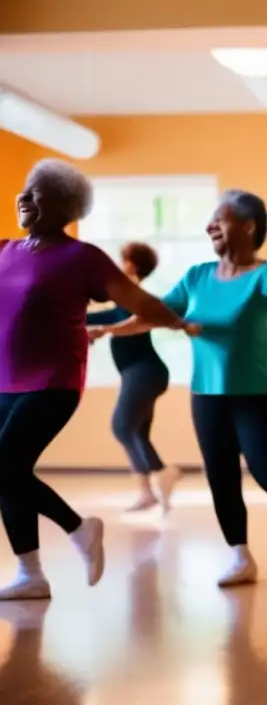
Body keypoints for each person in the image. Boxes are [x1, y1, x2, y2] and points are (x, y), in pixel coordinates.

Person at [90, 189, 267, 586]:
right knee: (221, 476)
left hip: (256, 394)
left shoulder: (264, 274)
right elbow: (154, 313)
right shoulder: (197, 275)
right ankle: (240, 557)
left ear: (248, 227)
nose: (209, 225)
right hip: (206, 396)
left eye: (220, 218)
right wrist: (109, 328)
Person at [0, 159, 188, 600]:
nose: (24, 197)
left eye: (37, 191)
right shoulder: (6, 250)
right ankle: (31, 574)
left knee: (3, 467)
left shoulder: (82, 258)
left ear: (65, 205)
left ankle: (79, 528)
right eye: (23, 190)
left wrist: (177, 321)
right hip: (6, 382)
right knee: (9, 474)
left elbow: (147, 306)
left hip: (53, 381)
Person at [86, 242, 183, 514]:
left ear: (132, 265)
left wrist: (100, 328)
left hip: (144, 372)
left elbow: (118, 319)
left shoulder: (136, 296)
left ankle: (165, 472)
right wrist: (83, 322)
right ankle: (147, 493)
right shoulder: (124, 297)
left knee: (121, 425)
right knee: (137, 432)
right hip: (141, 373)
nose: (119, 264)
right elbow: (108, 315)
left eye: (123, 259)